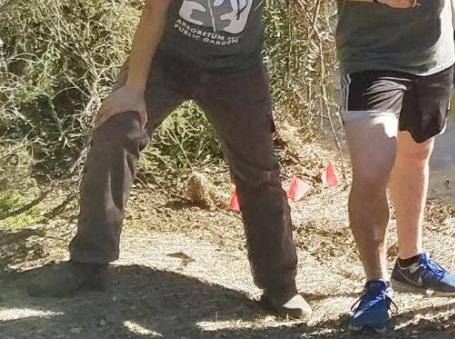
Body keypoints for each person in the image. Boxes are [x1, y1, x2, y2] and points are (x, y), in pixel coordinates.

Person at [25, 0, 306, 317]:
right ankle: (88, 261)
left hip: (237, 70)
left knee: (260, 169)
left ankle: (280, 286)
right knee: (118, 130)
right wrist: (132, 89)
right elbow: (154, 10)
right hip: (166, 59)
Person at [332, 0, 455, 333]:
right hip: (371, 58)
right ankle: (375, 285)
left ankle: (410, 262)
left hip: (433, 59)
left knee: (416, 153)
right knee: (371, 169)